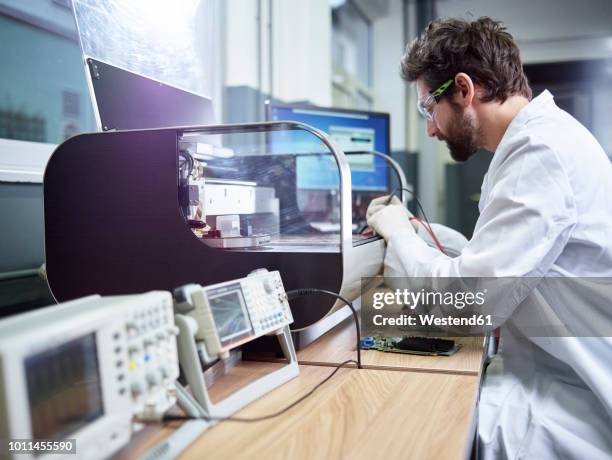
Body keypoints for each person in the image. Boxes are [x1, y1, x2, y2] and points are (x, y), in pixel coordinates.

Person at [366, 17, 612, 459]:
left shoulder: (540, 155)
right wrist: (425, 237)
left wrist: (399, 233)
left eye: (428, 109)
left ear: (463, 89)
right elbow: (518, 266)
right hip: (549, 371)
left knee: (402, 430)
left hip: (567, 402)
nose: (431, 129)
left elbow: (467, 305)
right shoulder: (541, 140)